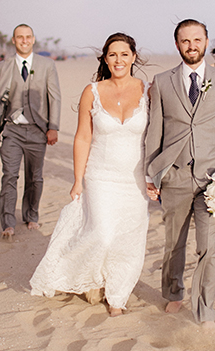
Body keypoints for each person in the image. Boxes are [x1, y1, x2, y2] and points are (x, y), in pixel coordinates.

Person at [30, 33, 149, 316]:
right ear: (105, 59)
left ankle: (117, 296)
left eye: (123, 54)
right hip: (100, 175)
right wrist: (77, 179)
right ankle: (85, 276)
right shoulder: (92, 91)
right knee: (104, 234)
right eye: (112, 55)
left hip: (135, 179)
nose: (118, 60)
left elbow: (157, 137)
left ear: (133, 56)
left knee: (129, 240)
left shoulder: (148, 90)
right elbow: (83, 137)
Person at [145, 19, 215, 328]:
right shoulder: (162, 82)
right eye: (185, 41)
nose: (191, 45)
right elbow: (154, 132)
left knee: (209, 248)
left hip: (212, 180)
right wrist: (153, 174)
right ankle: (174, 292)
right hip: (174, 176)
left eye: (197, 40)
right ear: (177, 45)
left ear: (206, 41)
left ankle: (204, 311)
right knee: (174, 243)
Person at [0, 24, 61, 239]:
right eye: (20, 37)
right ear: (13, 40)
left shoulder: (47, 65)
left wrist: (53, 127)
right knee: (10, 175)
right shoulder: (3, 66)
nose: (24, 40)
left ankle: (31, 216)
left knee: (35, 177)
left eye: (28, 37)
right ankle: (8, 222)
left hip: (38, 130)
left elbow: (54, 97)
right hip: (12, 131)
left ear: (33, 39)